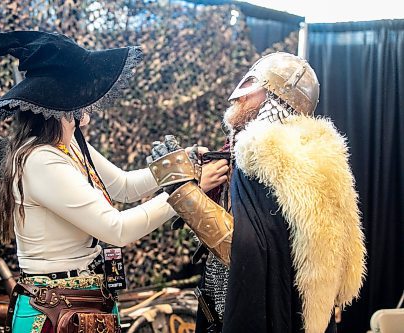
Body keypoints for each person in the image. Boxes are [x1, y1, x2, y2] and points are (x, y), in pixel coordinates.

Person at [0, 31, 226, 333]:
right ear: (56, 107)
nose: (87, 118)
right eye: (78, 108)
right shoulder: (40, 160)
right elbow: (116, 229)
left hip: (83, 306)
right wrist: (187, 192)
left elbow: (125, 186)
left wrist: (183, 166)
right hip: (56, 314)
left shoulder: (69, 145)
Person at [149, 52, 366, 333]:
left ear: (273, 98)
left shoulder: (271, 153)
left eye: (250, 86)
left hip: (271, 311)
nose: (236, 96)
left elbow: (245, 248)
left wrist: (182, 190)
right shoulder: (298, 151)